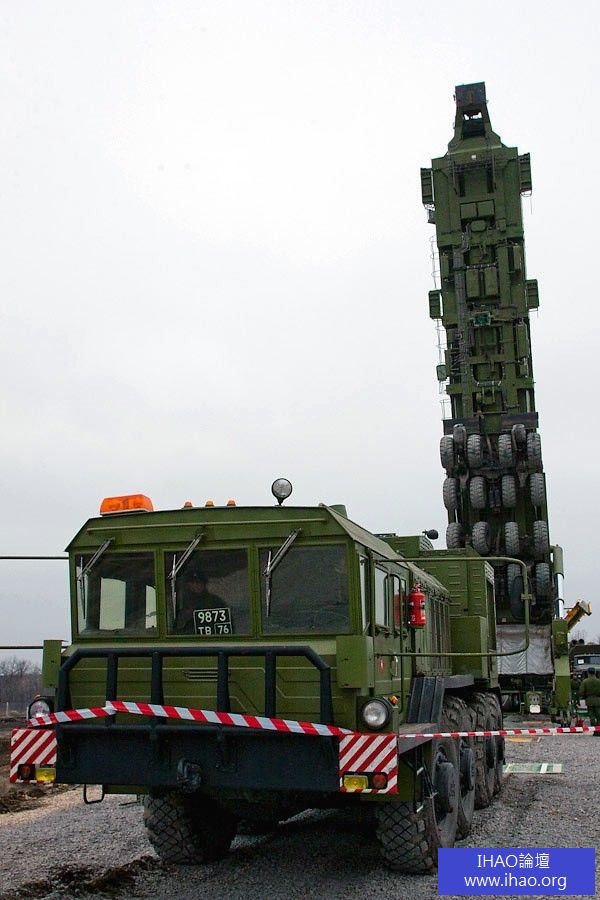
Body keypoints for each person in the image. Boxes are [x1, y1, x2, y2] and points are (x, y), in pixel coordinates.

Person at [174, 568, 226, 635]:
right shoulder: (182, 602)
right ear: (187, 585)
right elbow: (178, 628)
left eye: (198, 582)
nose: (195, 585)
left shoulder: (215, 602)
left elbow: (224, 626)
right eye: (192, 582)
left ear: (204, 584)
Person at [578, 667, 600, 735]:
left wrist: (584, 697)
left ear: (588, 673)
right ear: (595, 673)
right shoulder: (599, 681)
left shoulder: (585, 681)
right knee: (599, 716)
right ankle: (599, 729)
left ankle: (595, 730)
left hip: (589, 700)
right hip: (598, 700)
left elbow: (581, 692)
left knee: (592, 716)